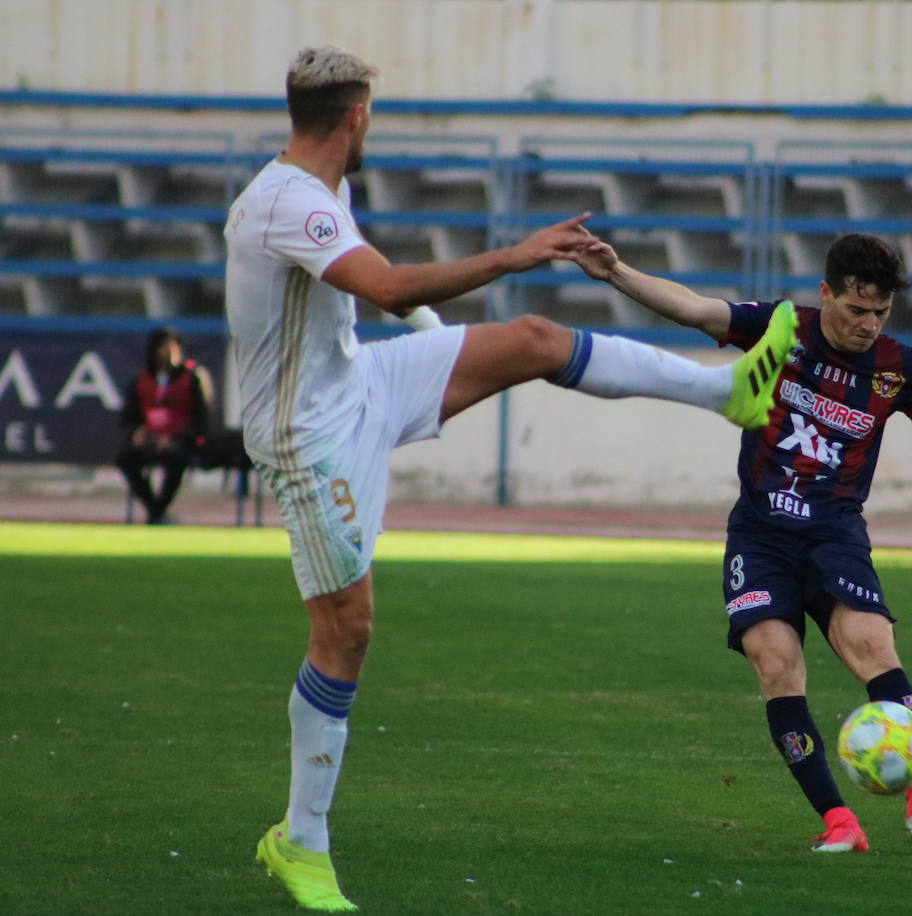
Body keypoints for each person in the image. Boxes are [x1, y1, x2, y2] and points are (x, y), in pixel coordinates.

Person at [227, 46, 797, 912]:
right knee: (348, 632)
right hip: (308, 437)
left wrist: (435, 335)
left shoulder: (319, 187)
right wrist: (516, 252)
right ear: (357, 118)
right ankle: (301, 842)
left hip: (357, 380)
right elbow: (381, 283)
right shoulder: (290, 203)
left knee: (530, 338)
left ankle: (730, 391)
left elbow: (354, 297)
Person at [573, 232, 912, 853]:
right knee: (775, 664)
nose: (867, 323)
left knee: (872, 644)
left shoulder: (896, 368)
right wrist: (616, 273)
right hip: (760, 533)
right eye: (856, 309)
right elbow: (694, 308)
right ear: (826, 293)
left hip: (834, 533)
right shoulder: (780, 329)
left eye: (880, 312)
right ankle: (838, 820)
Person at [115, 326, 213, 524]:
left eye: (174, 347)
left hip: (179, 440)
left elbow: (201, 419)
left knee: (177, 459)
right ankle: (155, 509)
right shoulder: (141, 379)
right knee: (125, 459)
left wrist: (176, 438)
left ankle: (158, 510)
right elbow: (129, 417)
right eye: (165, 347)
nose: (170, 352)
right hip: (150, 439)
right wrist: (136, 433)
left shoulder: (192, 377)